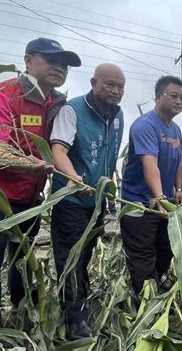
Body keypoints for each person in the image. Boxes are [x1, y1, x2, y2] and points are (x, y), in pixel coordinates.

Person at [0, 37, 80, 327]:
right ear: (28, 60)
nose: (59, 68)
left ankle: (22, 313)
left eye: (64, 64)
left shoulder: (58, 103)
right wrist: (34, 165)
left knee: (23, 262)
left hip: (31, 199)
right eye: (51, 60)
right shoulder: (3, 96)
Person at [50, 63, 125, 339]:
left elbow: (110, 158)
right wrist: (74, 179)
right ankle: (75, 321)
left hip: (96, 204)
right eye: (110, 85)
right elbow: (58, 150)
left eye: (121, 87)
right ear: (94, 83)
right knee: (70, 258)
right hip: (71, 200)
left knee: (84, 258)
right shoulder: (72, 110)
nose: (116, 91)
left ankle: (77, 306)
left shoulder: (118, 116)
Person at [121, 75, 182, 295]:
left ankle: (157, 281)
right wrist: (159, 197)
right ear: (158, 97)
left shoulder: (175, 130)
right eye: (173, 96)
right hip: (140, 202)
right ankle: (147, 300)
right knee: (143, 252)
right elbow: (150, 165)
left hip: (164, 201)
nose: (178, 102)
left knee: (166, 247)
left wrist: (177, 189)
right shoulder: (146, 125)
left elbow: (177, 162)